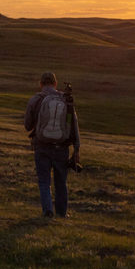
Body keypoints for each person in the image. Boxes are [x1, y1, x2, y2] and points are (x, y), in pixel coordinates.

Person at [24, 72, 80, 218]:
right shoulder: (66, 100)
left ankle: (47, 210)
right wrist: (77, 148)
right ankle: (62, 213)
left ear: (40, 83)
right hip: (61, 147)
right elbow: (73, 125)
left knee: (44, 181)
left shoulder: (36, 99)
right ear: (55, 83)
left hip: (41, 145)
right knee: (61, 181)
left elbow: (27, 125)